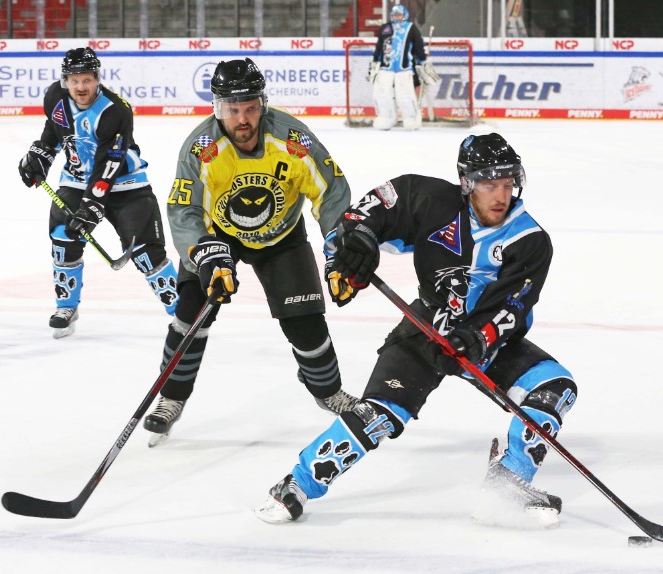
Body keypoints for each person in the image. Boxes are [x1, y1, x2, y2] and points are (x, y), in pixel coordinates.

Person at [255, 133, 578, 528]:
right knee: (378, 416)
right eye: (490, 184)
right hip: (427, 327)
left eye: (508, 183)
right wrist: (353, 246)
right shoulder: (426, 199)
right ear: (466, 183)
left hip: (486, 341)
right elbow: (363, 215)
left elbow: (511, 307)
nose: (501, 195)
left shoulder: (530, 240)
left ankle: (508, 481)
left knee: (555, 387)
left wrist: (474, 339)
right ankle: (297, 484)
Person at [143, 58, 359, 446]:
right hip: (218, 236)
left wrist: (339, 248)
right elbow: (184, 209)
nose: (242, 119)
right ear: (217, 107)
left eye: (250, 108)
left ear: (262, 104)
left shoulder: (293, 139)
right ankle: (171, 397)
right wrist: (205, 255)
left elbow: (330, 193)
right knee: (191, 313)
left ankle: (327, 391)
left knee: (306, 325)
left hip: (282, 235)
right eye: (232, 109)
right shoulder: (201, 148)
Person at [17, 47, 178, 338]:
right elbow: (54, 131)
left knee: (146, 251)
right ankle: (66, 307)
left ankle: (182, 312)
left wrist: (92, 206)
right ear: (65, 80)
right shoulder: (56, 97)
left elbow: (109, 164)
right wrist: (41, 157)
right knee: (63, 237)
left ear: (97, 78)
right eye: (74, 80)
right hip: (77, 181)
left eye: (87, 80)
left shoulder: (115, 110)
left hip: (127, 184)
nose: (81, 87)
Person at [367, 3, 438, 130]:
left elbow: (418, 46)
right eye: (395, 15)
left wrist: (423, 61)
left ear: (404, 15)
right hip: (385, 68)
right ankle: (386, 117)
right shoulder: (385, 28)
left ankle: (411, 119)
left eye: (399, 15)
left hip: (404, 69)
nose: (397, 17)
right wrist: (375, 61)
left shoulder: (411, 28)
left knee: (405, 95)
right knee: (382, 94)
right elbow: (379, 47)